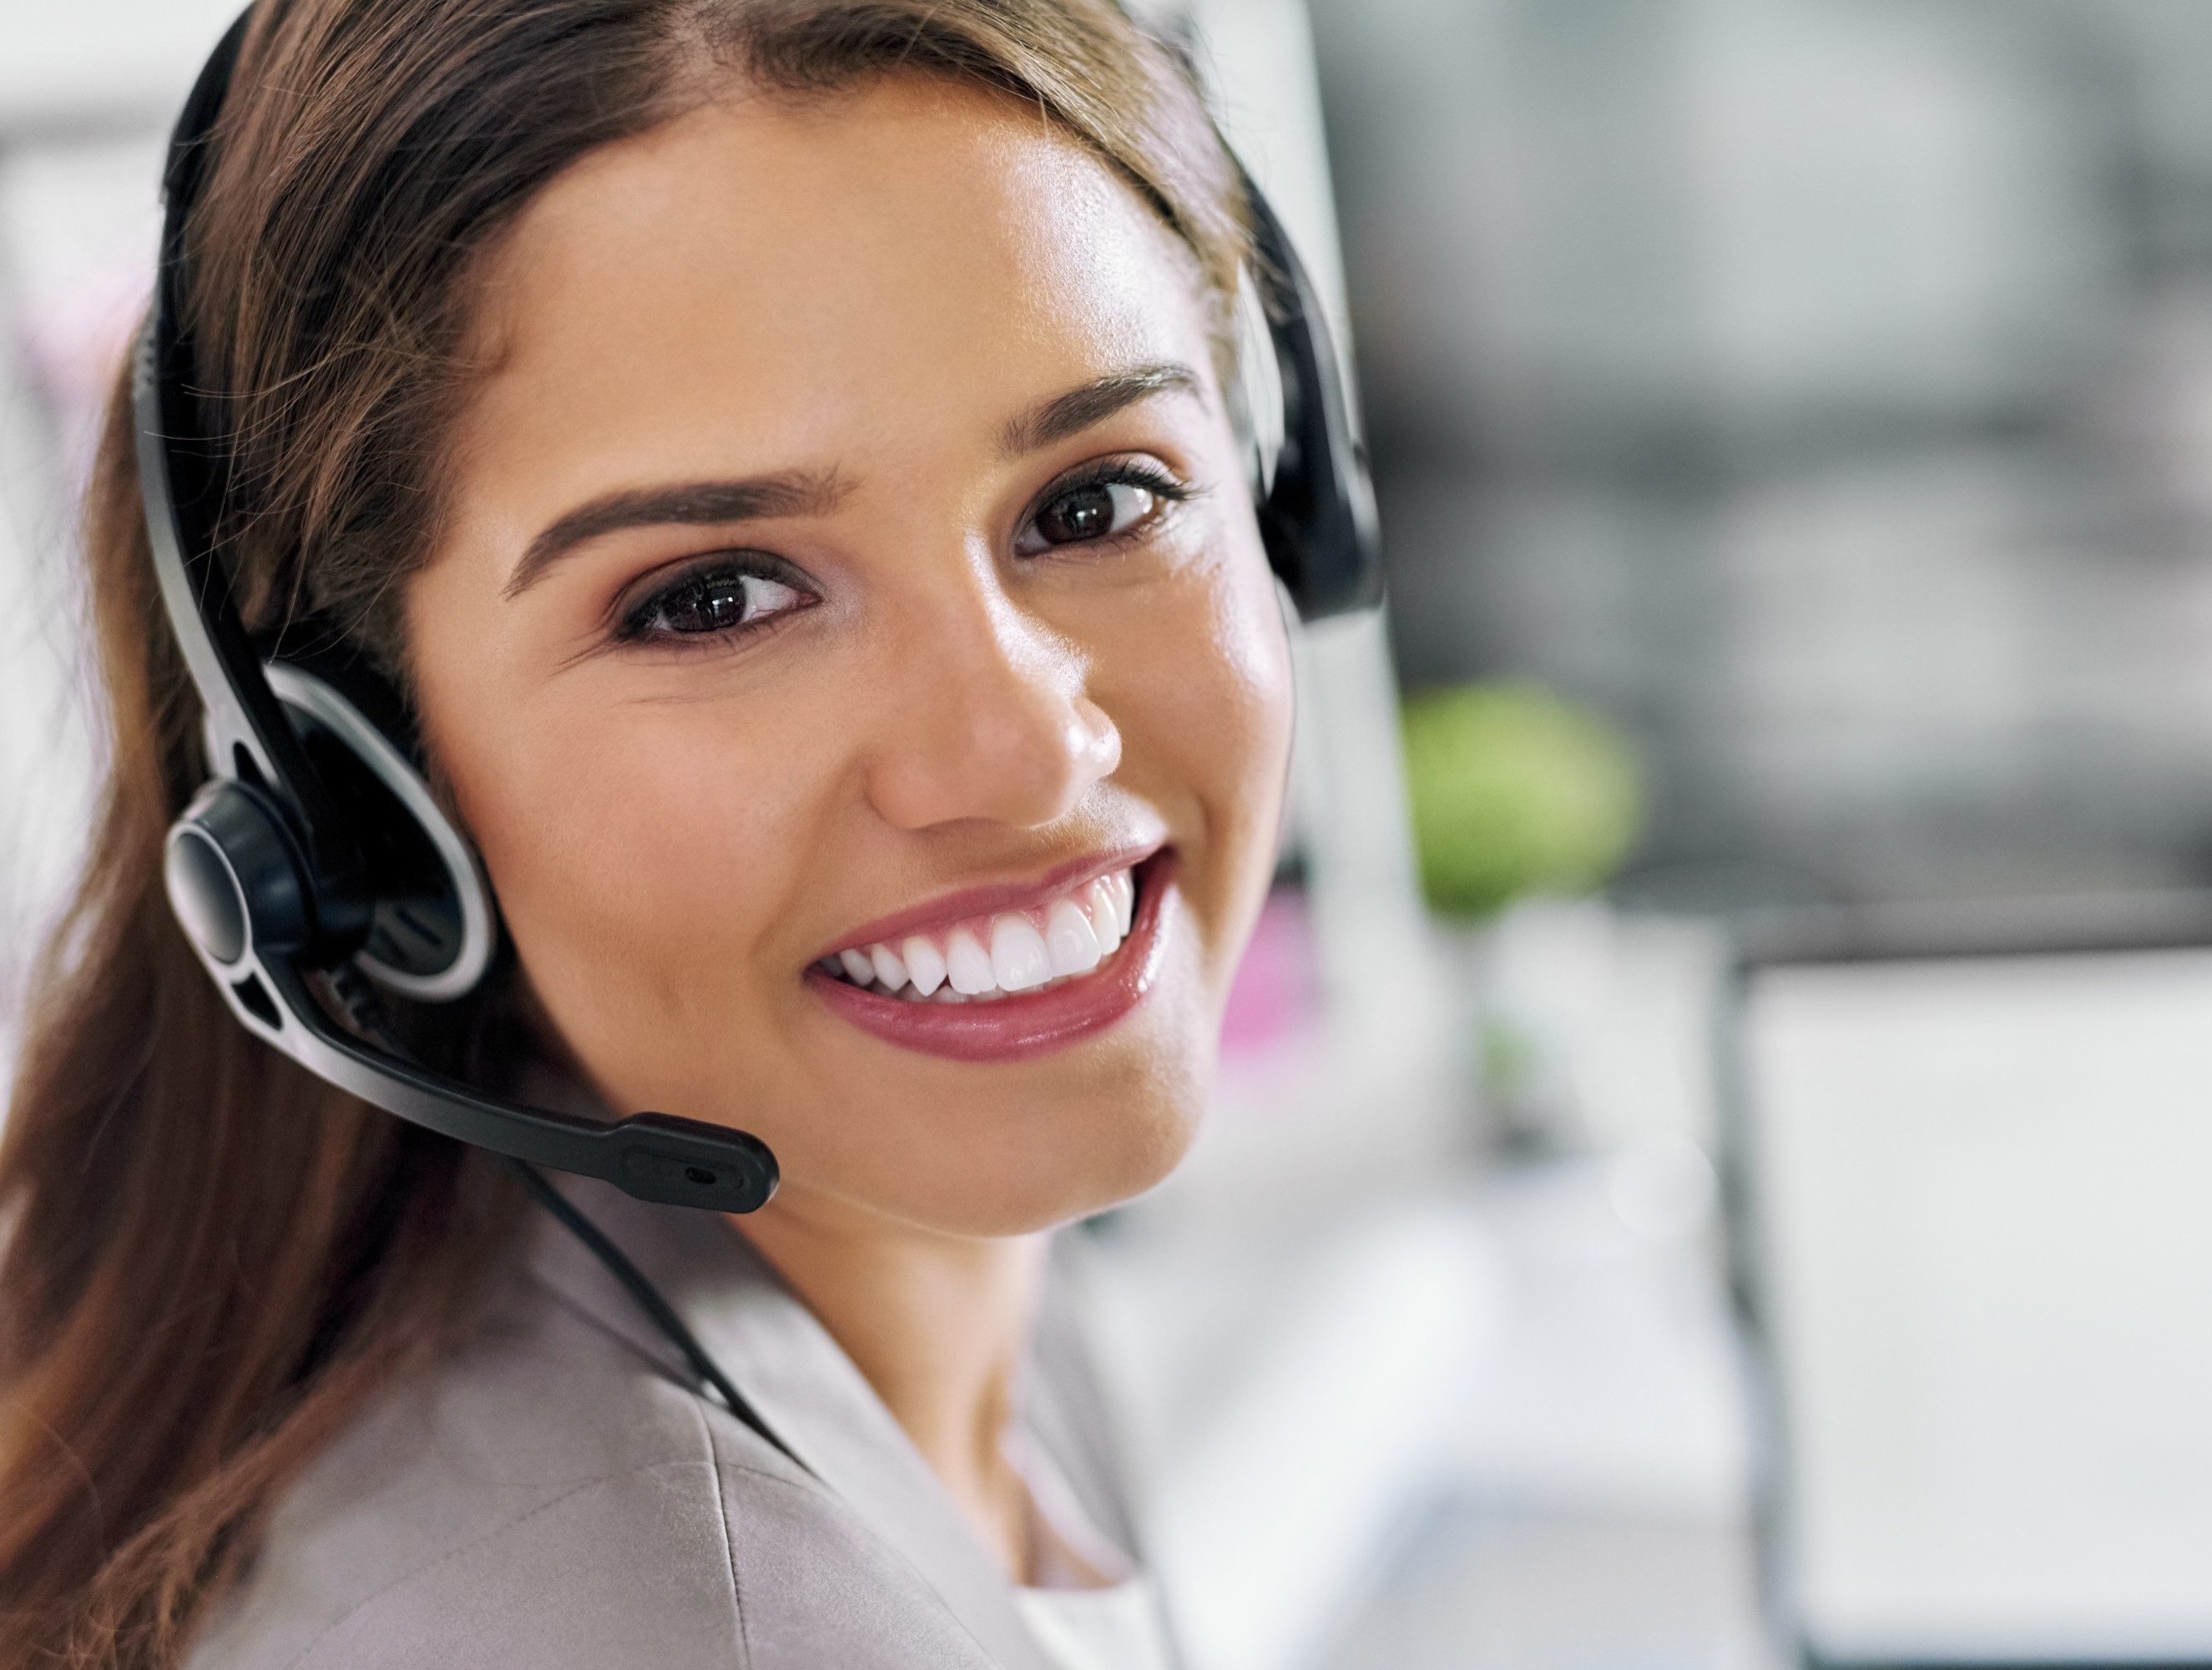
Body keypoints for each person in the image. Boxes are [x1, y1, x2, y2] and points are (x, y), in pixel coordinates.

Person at [0, 0, 1358, 1664]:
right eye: (712, 599)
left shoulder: (917, 1252)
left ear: (1280, 493)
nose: (1018, 753)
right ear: (356, 787)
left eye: (1096, 498)